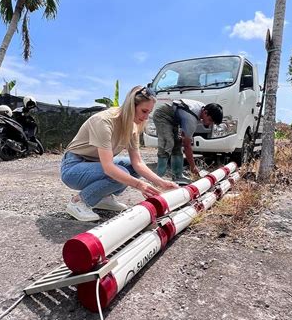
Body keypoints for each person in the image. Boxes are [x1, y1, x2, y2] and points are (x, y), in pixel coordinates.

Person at [61, 86, 178, 222]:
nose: (146, 117)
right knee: (120, 172)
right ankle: (79, 202)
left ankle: (103, 197)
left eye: (149, 113)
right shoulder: (104, 121)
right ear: (131, 106)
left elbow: (138, 163)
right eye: (144, 111)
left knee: (130, 167)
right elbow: (109, 168)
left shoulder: (132, 126)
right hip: (73, 166)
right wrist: (140, 185)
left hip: (93, 165)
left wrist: (161, 183)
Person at [153, 99, 223, 183]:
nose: (210, 124)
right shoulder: (191, 118)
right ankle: (158, 177)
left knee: (177, 144)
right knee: (168, 142)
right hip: (163, 115)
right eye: (210, 120)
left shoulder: (204, 107)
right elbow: (187, 145)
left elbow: (184, 139)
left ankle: (178, 176)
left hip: (173, 118)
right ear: (205, 112)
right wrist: (193, 167)